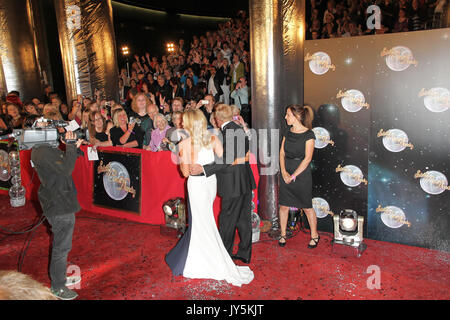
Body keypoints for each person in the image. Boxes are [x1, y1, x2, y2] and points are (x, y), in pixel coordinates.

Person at [165, 109, 254, 287]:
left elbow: (185, 173)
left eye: (183, 122)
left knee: (200, 221)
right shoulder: (213, 138)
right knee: (207, 220)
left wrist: (185, 154)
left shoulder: (185, 144)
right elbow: (223, 160)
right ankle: (214, 253)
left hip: (197, 185)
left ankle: (204, 257)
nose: (181, 124)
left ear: (189, 124)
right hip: (211, 184)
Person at [190, 104, 256, 264]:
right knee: (243, 219)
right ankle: (244, 253)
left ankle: (224, 255)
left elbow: (227, 160)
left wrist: (203, 169)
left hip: (232, 184)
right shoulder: (238, 128)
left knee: (227, 220)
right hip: (245, 181)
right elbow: (241, 154)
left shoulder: (229, 131)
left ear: (218, 120)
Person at [31, 130, 84, 300]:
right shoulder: (42, 151)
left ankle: (59, 278)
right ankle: (58, 286)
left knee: (62, 246)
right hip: (58, 205)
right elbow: (66, 169)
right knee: (61, 247)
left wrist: (73, 148)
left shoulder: (44, 149)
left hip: (61, 200)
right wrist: (69, 145)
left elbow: (62, 162)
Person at [278, 105, 319, 248]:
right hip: (286, 172)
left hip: (301, 174)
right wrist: (283, 172)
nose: (285, 117)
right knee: (283, 206)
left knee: (307, 207)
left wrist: (293, 176)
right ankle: (283, 234)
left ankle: (314, 235)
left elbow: (307, 159)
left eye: (288, 115)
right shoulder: (287, 132)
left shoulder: (309, 134)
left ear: (297, 117)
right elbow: (282, 153)